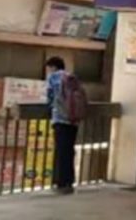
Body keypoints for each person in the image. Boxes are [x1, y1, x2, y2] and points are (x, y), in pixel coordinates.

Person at [45, 56, 82, 195]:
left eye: (49, 68)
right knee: (69, 150)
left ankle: (60, 182)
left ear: (53, 67)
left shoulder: (53, 77)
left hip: (60, 118)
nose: (49, 71)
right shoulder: (72, 77)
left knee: (61, 151)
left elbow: (49, 96)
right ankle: (69, 181)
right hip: (73, 119)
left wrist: (50, 108)